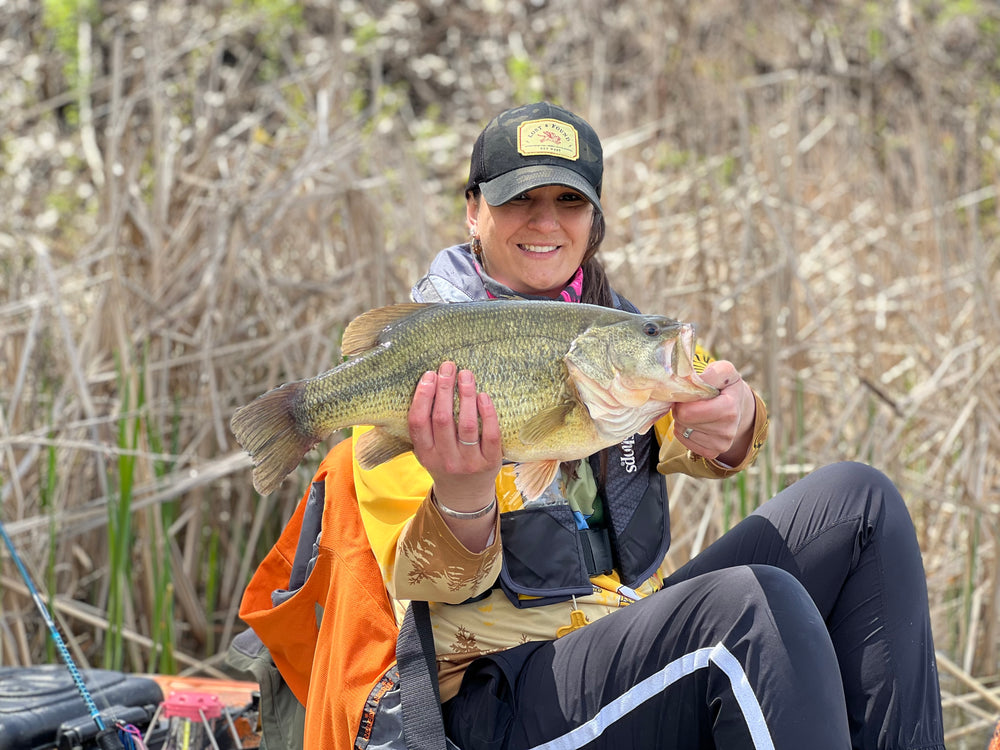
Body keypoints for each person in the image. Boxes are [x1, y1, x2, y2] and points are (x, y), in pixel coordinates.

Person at [352, 101, 945, 750]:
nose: (545, 221)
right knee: (750, 606)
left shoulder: (617, 333)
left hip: (623, 632)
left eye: (569, 201)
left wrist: (737, 420)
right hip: (504, 694)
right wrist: (464, 500)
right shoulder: (426, 364)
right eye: (520, 199)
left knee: (861, 502)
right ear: (474, 210)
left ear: (593, 218)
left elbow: (710, 418)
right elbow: (413, 581)